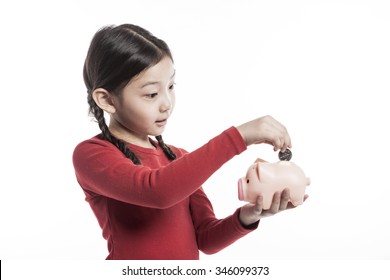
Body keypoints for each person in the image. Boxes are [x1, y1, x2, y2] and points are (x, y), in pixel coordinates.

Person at [72, 23, 305, 260]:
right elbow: (158, 191)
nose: (167, 103)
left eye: (171, 86)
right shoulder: (92, 154)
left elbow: (206, 239)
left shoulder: (178, 157)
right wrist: (238, 137)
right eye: (152, 94)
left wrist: (249, 216)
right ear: (107, 100)